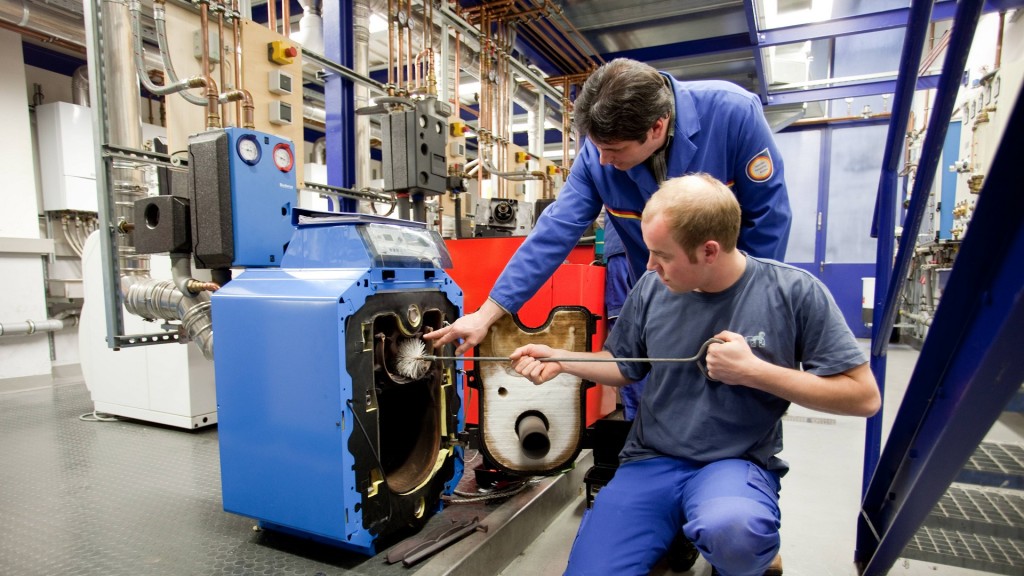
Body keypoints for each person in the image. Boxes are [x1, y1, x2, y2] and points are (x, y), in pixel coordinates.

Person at [509, 174, 880, 576]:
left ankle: (750, 543)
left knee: (733, 532)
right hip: (652, 460)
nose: (650, 265)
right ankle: (680, 528)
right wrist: (563, 360)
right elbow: (626, 365)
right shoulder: (652, 288)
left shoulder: (793, 292)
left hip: (735, 463)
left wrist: (754, 372)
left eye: (661, 255)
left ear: (708, 251)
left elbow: (863, 396)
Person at [424, 58, 791, 355]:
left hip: (730, 289)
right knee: (650, 391)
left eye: (614, 151)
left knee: (733, 390)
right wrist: (486, 314)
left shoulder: (732, 115)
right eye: (596, 147)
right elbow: (553, 233)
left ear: (656, 128)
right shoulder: (597, 155)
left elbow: (768, 219)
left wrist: (744, 304)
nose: (601, 161)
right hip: (655, 293)